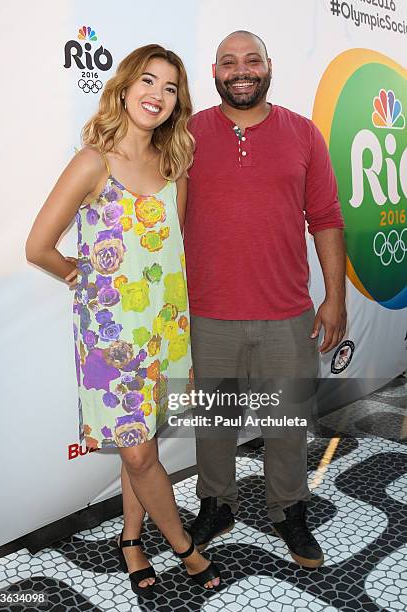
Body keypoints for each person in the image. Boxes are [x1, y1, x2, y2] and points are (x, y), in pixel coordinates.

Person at [26, 44, 220, 598]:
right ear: (125, 86)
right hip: (110, 342)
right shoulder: (93, 161)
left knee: (147, 446)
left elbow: (168, 254)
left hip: (163, 331)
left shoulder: (174, 167)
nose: (157, 95)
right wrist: (78, 276)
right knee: (137, 451)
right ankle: (185, 546)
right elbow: (38, 246)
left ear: (178, 102)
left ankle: (132, 539)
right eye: (148, 82)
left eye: (170, 87)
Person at [183, 31, 347, 569]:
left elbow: (325, 219)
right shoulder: (187, 133)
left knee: (287, 423)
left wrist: (334, 299)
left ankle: (289, 509)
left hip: (287, 312)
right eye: (229, 62)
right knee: (215, 422)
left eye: (251, 60)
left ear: (269, 66)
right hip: (207, 313)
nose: (241, 70)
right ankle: (217, 504)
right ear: (214, 72)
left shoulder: (303, 133)